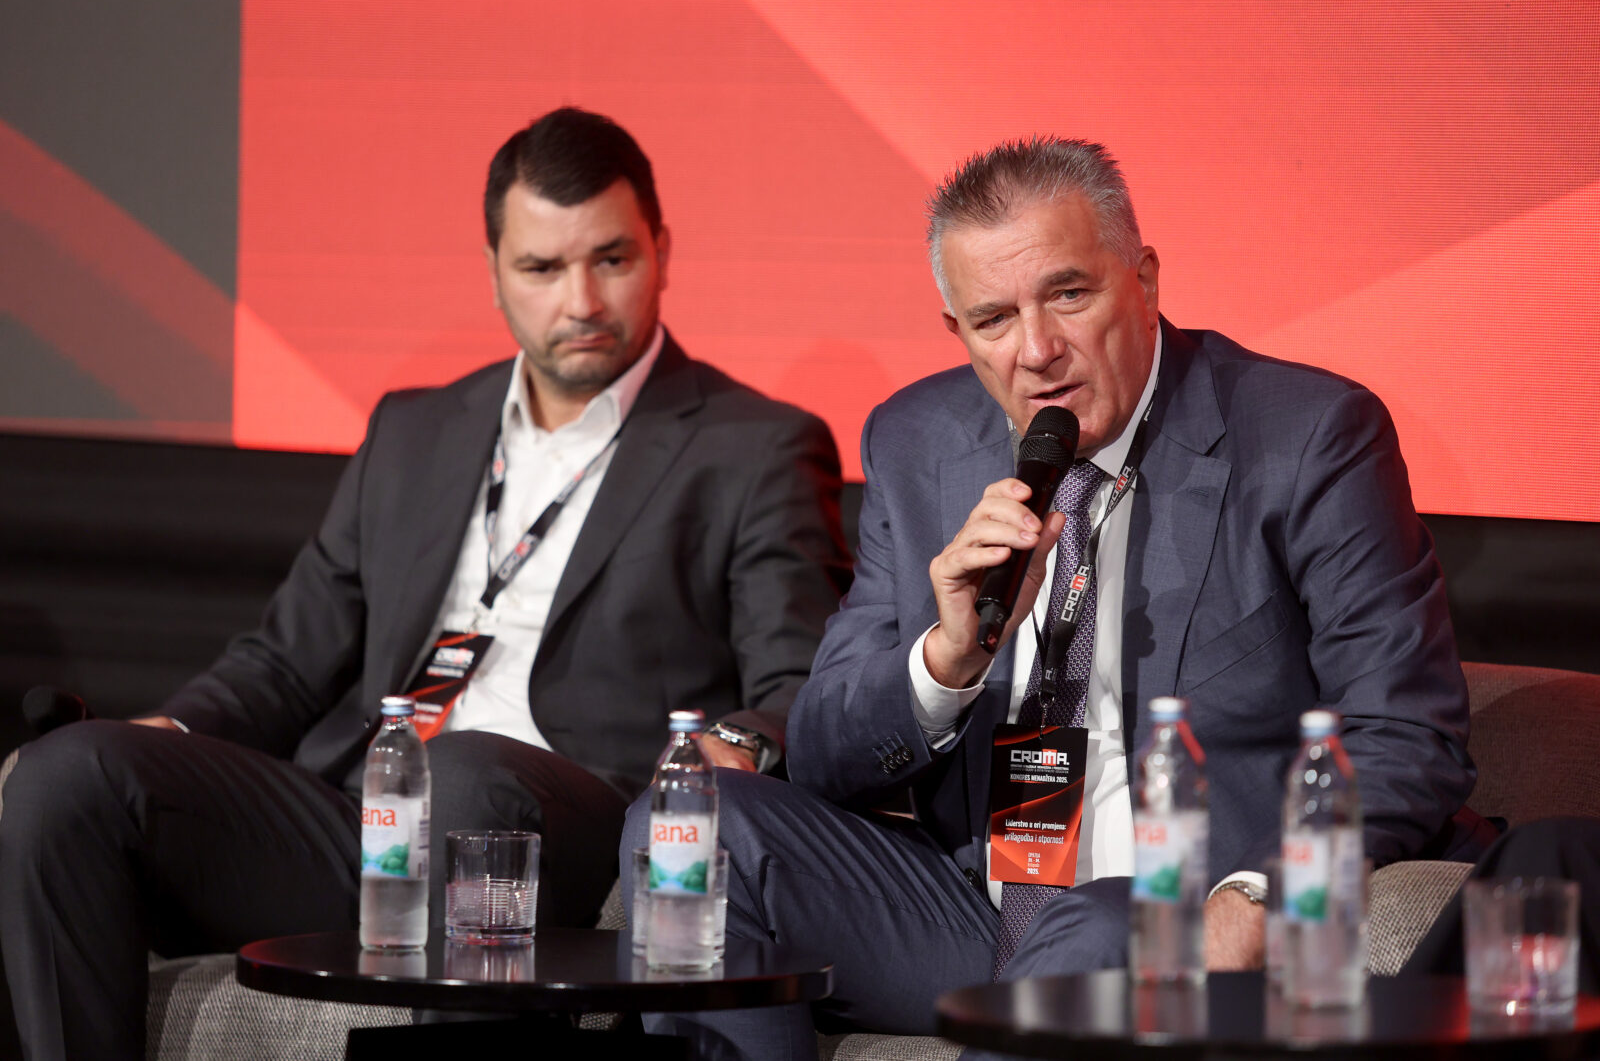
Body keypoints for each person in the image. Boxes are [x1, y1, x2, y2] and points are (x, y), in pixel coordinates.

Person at [0, 107, 851, 1060]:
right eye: (542, 268)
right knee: (64, 776)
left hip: (567, 821)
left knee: (470, 771)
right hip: (374, 814)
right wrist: (179, 726)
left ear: (663, 250)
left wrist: (735, 747)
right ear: (493, 271)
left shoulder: (753, 446)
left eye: (611, 259)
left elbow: (799, 683)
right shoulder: (413, 430)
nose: (581, 300)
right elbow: (285, 660)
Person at [621, 137, 1491, 1059]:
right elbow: (828, 752)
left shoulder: (1306, 437)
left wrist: (1255, 899)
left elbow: (1408, 734)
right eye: (994, 319)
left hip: (1184, 911)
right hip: (974, 909)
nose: (1037, 351)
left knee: (1101, 922)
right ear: (957, 332)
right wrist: (944, 661)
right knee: (690, 826)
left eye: (1069, 294)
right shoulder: (917, 442)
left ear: (1144, 281)